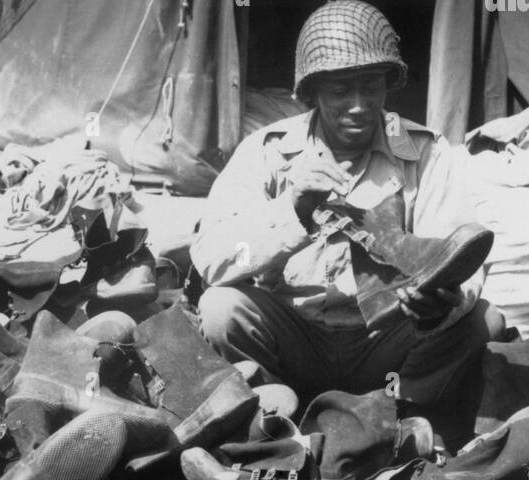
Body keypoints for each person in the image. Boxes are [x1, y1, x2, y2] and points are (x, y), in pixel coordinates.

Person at [191, 0, 501, 438]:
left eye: (371, 86)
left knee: (482, 321)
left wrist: (440, 303)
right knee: (222, 308)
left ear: (388, 85)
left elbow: (460, 256)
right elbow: (214, 260)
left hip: (385, 343)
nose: (358, 105)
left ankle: (401, 424)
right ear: (311, 93)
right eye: (340, 90)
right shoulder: (267, 151)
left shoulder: (421, 151)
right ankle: (276, 423)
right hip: (294, 335)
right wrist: (292, 211)